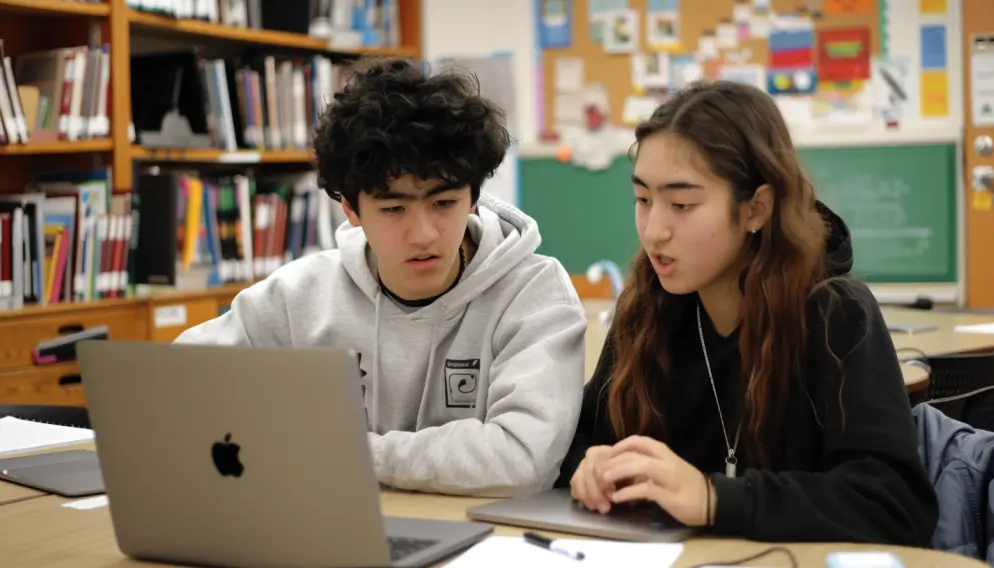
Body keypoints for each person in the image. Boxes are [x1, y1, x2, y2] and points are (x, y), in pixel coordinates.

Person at [175, 57, 587, 498]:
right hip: (330, 531)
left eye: (443, 203)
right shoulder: (300, 295)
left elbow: (524, 459)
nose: (423, 234)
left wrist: (346, 452)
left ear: (473, 196)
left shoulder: (533, 294)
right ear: (350, 209)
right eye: (394, 209)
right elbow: (178, 381)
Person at [556, 80, 939, 546]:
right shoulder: (646, 310)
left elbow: (893, 504)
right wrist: (590, 464)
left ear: (755, 208)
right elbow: (578, 441)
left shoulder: (836, 316)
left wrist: (715, 498)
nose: (654, 230)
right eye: (643, 199)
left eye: (681, 204)